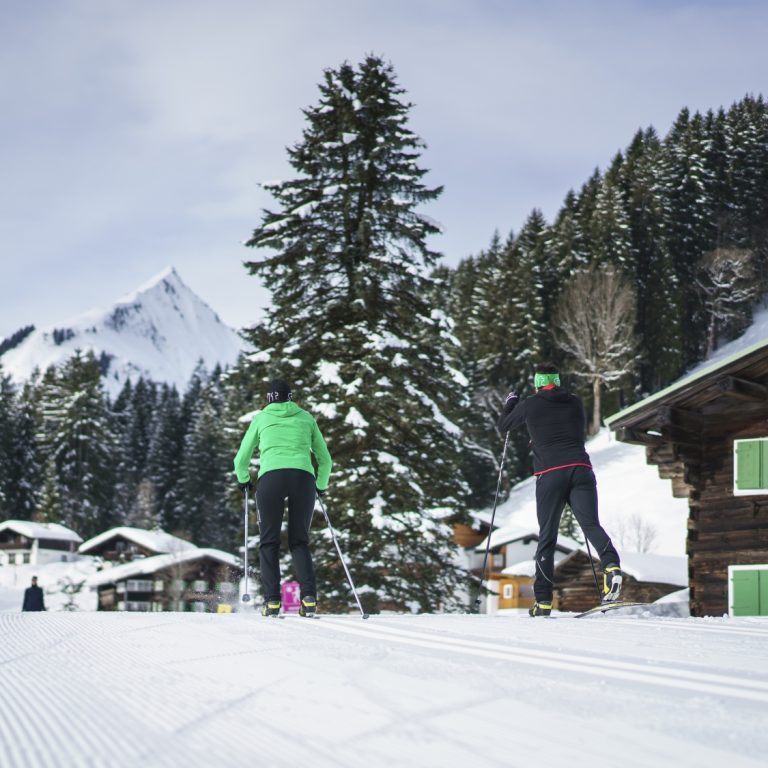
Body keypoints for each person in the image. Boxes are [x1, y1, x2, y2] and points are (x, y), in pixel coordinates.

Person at [497, 363, 621, 617]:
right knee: (591, 525)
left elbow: (504, 426)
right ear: (557, 381)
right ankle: (611, 566)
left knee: (548, 538)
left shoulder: (530, 404)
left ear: (538, 383)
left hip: (550, 475)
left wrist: (510, 403)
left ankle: (542, 602)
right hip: (581, 470)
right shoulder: (575, 402)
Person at [234, 379, 332, 618]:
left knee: (269, 542)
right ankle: (308, 598)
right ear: (290, 397)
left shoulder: (261, 419)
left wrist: (244, 479)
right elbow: (325, 459)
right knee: (299, 541)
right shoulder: (306, 418)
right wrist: (320, 485)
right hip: (303, 478)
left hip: (271, 478)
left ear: (268, 398)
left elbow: (241, 459)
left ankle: (273, 602)